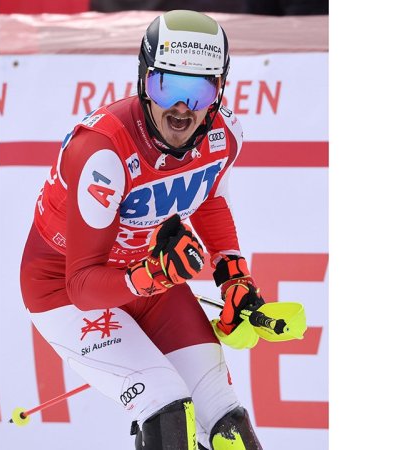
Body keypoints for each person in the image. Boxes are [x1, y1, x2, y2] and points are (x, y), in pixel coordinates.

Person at [20, 10, 266, 450]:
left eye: (200, 90)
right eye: (167, 86)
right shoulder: (103, 152)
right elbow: (80, 285)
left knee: (228, 424)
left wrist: (233, 274)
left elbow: (208, 198)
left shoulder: (224, 134)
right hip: (67, 290)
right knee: (167, 410)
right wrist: (151, 276)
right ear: (143, 81)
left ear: (220, 90)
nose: (182, 109)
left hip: (148, 279)